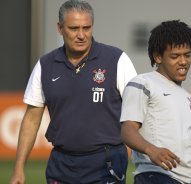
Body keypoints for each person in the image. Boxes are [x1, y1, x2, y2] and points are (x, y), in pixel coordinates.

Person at [10, 0, 137, 183]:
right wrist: (18, 168)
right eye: (74, 28)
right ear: (60, 28)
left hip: (106, 162)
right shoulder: (45, 65)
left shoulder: (117, 60)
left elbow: (138, 110)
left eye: (86, 28)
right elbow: (32, 118)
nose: (81, 35)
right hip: (61, 163)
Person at [120, 20, 191, 184]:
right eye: (175, 56)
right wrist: (151, 150)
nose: (183, 61)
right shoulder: (143, 83)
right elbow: (127, 129)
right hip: (157, 176)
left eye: (187, 55)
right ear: (157, 57)